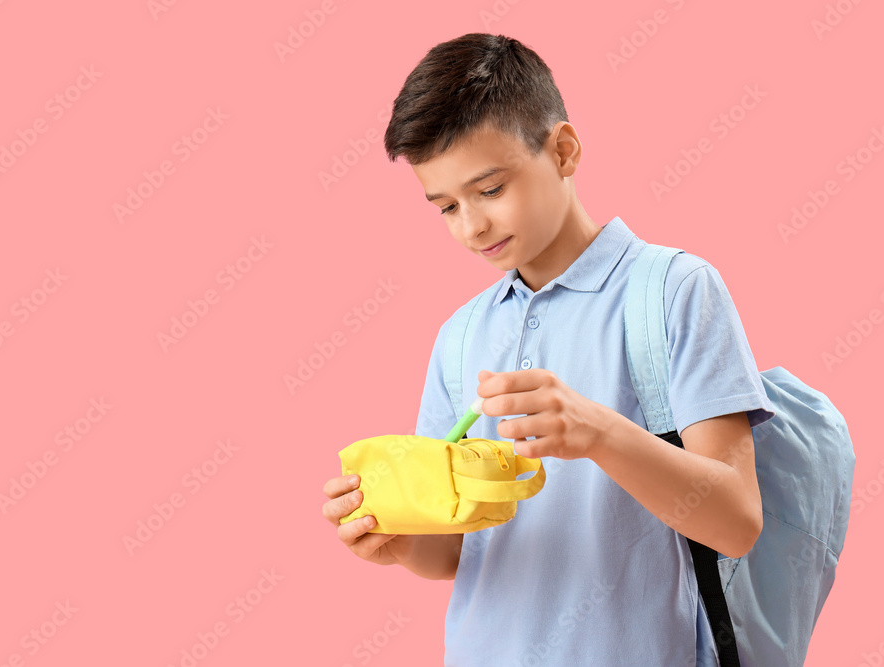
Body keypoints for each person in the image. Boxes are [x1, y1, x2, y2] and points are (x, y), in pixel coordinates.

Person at [321, 32, 775, 666]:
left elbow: (737, 521)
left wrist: (598, 433)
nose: (471, 226)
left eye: (489, 189)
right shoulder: (460, 337)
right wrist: (394, 537)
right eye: (446, 206)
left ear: (563, 150)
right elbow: (450, 552)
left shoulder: (673, 291)